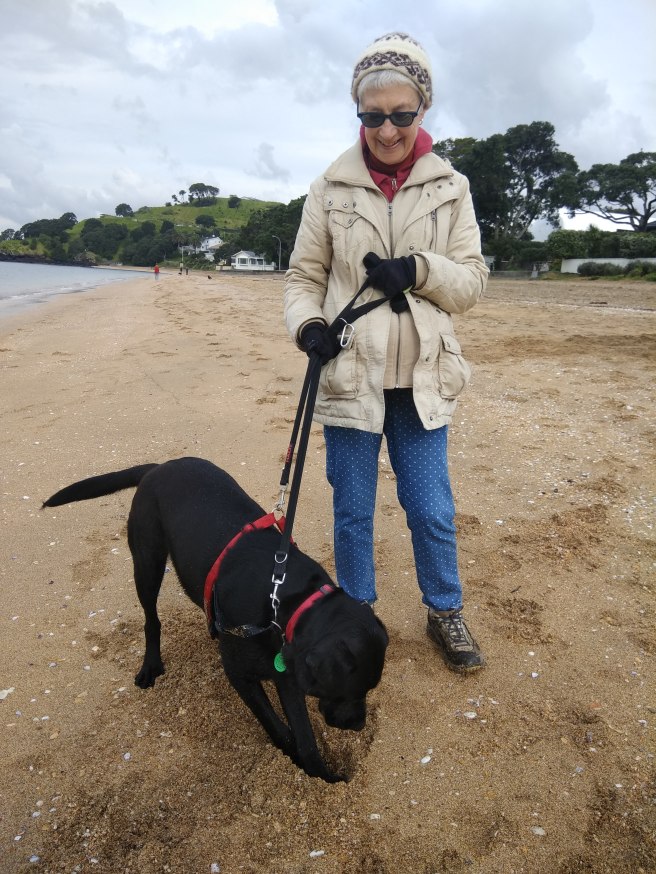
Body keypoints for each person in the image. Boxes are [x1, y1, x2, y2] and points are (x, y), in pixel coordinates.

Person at [284, 32, 488, 672]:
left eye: (402, 114)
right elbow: (302, 279)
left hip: (423, 381)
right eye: (373, 116)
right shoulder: (330, 187)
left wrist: (420, 269)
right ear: (359, 115)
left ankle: (444, 610)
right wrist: (309, 328)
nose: (388, 129)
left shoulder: (452, 188)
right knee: (351, 511)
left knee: (430, 508)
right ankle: (357, 615)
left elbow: (472, 284)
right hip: (349, 377)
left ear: (422, 110)